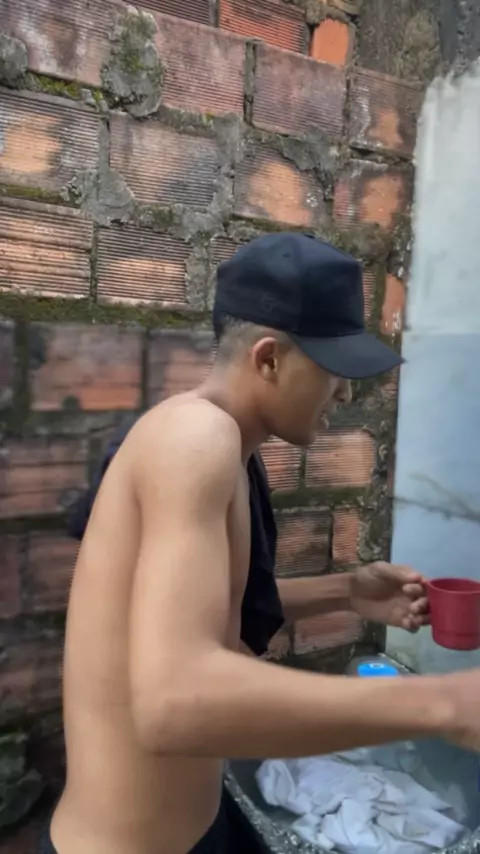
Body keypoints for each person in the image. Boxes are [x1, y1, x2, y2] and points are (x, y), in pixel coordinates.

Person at [43, 233, 480, 854]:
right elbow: (175, 702)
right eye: (334, 369)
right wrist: (446, 704)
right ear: (269, 359)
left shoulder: (223, 448)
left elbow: (205, 609)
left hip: (202, 823)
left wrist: (347, 592)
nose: (345, 394)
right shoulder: (196, 438)